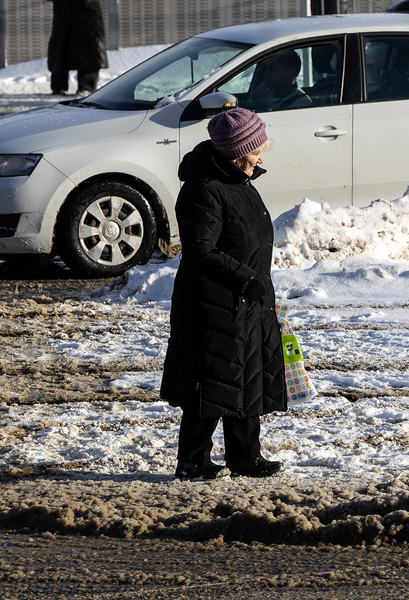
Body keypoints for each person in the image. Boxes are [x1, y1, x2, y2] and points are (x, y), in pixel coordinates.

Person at [160, 108, 286, 480]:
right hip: (212, 303)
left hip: (247, 299)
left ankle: (246, 456)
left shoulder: (238, 182)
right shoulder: (204, 189)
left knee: (248, 376)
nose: (262, 157)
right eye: (257, 149)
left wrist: (256, 285)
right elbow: (201, 250)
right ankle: (192, 460)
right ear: (237, 150)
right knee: (210, 380)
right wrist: (247, 279)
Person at [47, 0, 109, 96]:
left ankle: (87, 87)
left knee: (89, 48)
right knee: (60, 49)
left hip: (87, 11)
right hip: (63, 12)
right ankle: (58, 86)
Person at [246, 51, 312, 112]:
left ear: (291, 72)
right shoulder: (262, 90)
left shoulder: (301, 103)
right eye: (265, 68)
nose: (265, 73)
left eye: (272, 69)